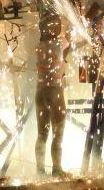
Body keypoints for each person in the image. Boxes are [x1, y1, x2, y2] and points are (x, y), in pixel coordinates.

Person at [35, 13, 69, 178]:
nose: (58, 27)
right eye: (56, 24)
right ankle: (56, 169)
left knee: (42, 134)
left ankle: (40, 169)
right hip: (55, 92)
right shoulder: (59, 43)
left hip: (40, 92)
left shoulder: (39, 46)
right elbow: (77, 40)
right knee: (58, 132)